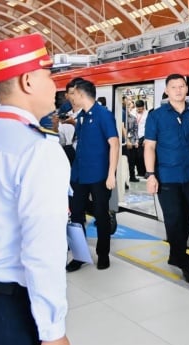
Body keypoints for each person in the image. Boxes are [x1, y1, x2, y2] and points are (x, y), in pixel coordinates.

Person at [0, 33, 72, 345]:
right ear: (28, 81)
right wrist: (53, 331)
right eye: (49, 75)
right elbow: (43, 251)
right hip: (6, 308)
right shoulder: (39, 151)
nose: (55, 84)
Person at [144, 73, 189, 284]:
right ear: (166, 90)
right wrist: (150, 175)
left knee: (185, 220)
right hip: (167, 177)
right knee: (174, 219)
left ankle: (175, 255)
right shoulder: (156, 116)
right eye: (173, 87)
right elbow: (149, 146)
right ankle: (185, 263)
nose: (178, 90)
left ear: (186, 89)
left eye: (181, 86)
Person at [66, 79, 119, 272]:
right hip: (79, 175)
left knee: (100, 215)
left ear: (81, 94)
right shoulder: (81, 117)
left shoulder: (104, 115)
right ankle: (80, 256)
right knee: (76, 215)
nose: (71, 98)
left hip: (99, 175)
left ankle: (103, 254)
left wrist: (111, 174)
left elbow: (114, 144)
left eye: (73, 94)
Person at [125, 99, 148, 181]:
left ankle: (143, 172)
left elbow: (148, 126)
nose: (139, 110)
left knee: (141, 155)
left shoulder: (147, 114)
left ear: (143, 107)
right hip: (132, 138)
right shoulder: (132, 113)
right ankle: (139, 172)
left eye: (141, 109)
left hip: (142, 135)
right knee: (135, 157)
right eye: (138, 109)